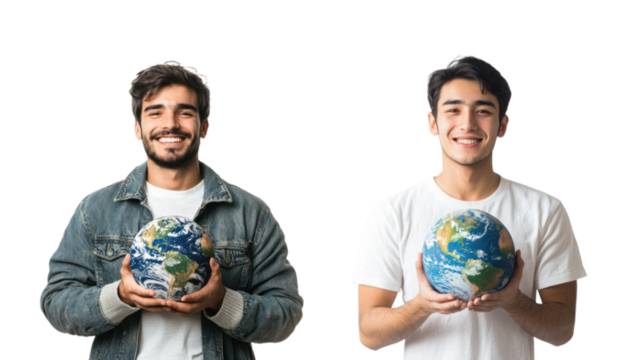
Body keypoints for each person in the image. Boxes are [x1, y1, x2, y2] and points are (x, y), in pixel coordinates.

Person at [38, 60, 306, 359]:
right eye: (155, 112)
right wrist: (120, 297)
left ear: (205, 125)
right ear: (136, 128)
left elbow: (286, 314)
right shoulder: (95, 209)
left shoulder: (251, 213)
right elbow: (55, 302)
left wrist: (221, 300)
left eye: (185, 112)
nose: (170, 124)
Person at [350, 54, 587, 358]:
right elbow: (369, 334)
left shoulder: (546, 210)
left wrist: (513, 300)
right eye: (453, 109)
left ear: (503, 124)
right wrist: (422, 305)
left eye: (483, 110)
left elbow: (563, 330)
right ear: (432, 122)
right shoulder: (390, 213)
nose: (467, 123)